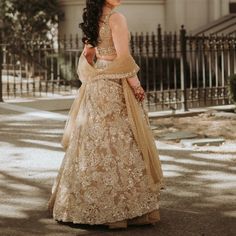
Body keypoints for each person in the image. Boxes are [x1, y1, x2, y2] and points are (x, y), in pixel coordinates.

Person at [48, 0, 164, 229]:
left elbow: (88, 55)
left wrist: (95, 73)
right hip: (113, 87)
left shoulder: (94, 19)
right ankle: (122, 208)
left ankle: (85, 204)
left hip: (95, 87)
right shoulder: (116, 18)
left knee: (92, 143)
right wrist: (137, 86)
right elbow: (124, 58)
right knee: (121, 142)